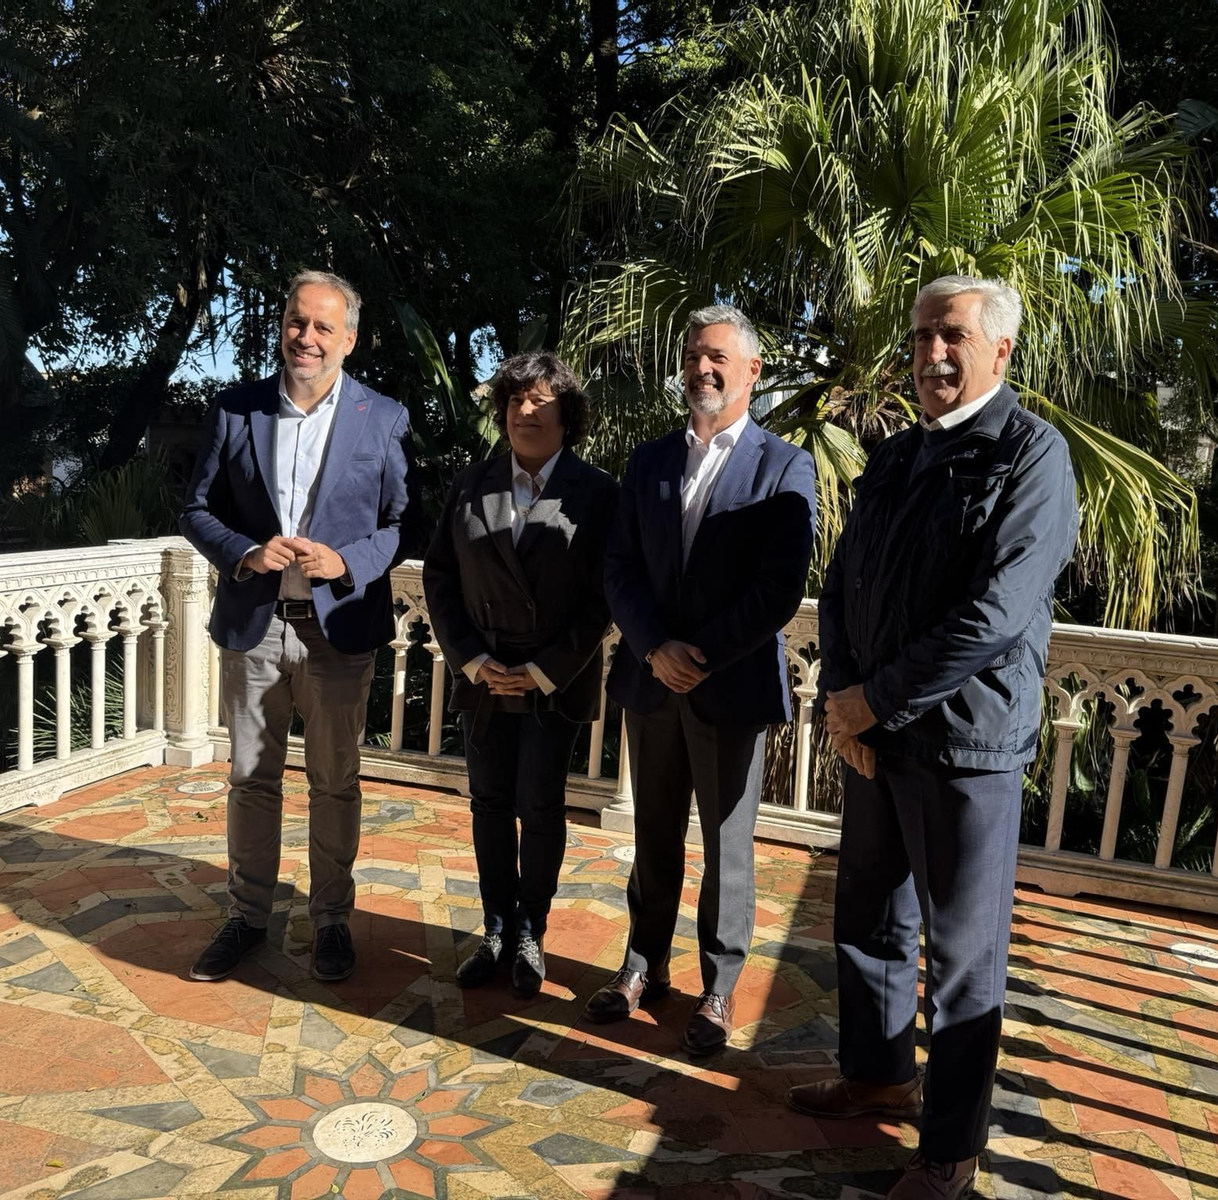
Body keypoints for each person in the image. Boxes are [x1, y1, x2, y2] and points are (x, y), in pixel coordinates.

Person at [788, 275, 1078, 1199]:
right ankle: (878, 1071)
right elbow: (843, 583)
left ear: (999, 349)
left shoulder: (1032, 456)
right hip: (877, 735)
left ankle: (950, 1147)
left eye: (950, 335)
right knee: (869, 917)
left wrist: (878, 702)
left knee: (962, 956)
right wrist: (843, 695)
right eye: (919, 338)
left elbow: (995, 612)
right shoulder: (898, 454)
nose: (930, 354)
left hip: (964, 747)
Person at [586, 304, 816, 1056]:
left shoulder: (785, 465)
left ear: (752, 370)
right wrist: (655, 649)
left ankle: (718, 987)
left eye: (716, 357)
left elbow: (779, 588)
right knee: (653, 833)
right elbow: (616, 566)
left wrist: (699, 654)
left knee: (727, 845)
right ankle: (641, 966)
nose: (701, 370)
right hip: (652, 683)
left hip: (728, 686)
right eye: (691, 357)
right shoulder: (650, 460)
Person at [179, 269, 413, 985]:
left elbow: (402, 524)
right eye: (295, 321)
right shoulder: (235, 409)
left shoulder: (384, 417)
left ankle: (332, 921)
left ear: (349, 339)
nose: (305, 337)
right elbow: (194, 509)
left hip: (337, 630)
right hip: (256, 624)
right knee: (252, 779)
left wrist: (346, 561)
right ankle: (247, 917)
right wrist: (246, 552)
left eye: (321, 326)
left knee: (336, 781)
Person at [423, 353, 619, 998]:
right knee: (488, 807)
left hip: (551, 680)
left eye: (539, 401)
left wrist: (540, 670)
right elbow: (441, 577)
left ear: (568, 415)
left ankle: (531, 931)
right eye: (514, 401)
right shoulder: (470, 484)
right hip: (482, 675)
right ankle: (496, 930)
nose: (525, 412)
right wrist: (474, 660)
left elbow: (603, 596)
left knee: (539, 809)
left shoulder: (598, 494)